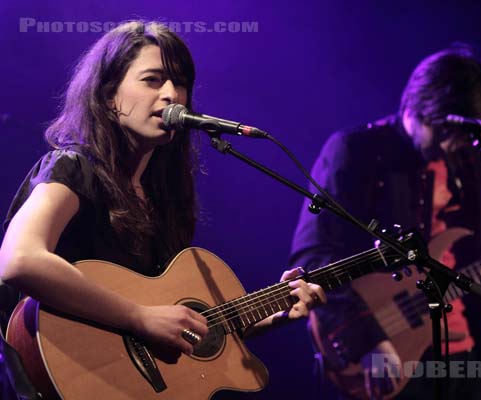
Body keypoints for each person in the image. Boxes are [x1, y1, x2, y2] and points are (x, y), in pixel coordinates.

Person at [0, 20, 326, 399]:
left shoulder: (162, 197)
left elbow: (171, 324)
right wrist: (139, 317)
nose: (172, 94)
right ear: (109, 97)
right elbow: (20, 259)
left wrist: (268, 316)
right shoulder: (74, 166)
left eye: (180, 82)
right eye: (153, 80)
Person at [289, 45, 481, 399]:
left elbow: (478, 253)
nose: (452, 146)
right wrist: (367, 340)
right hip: (389, 352)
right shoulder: (355, 152)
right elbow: (312, 259)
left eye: (462, 137)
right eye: (443, 131)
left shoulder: (463, 161)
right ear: (418, 109)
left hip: (462, 352)